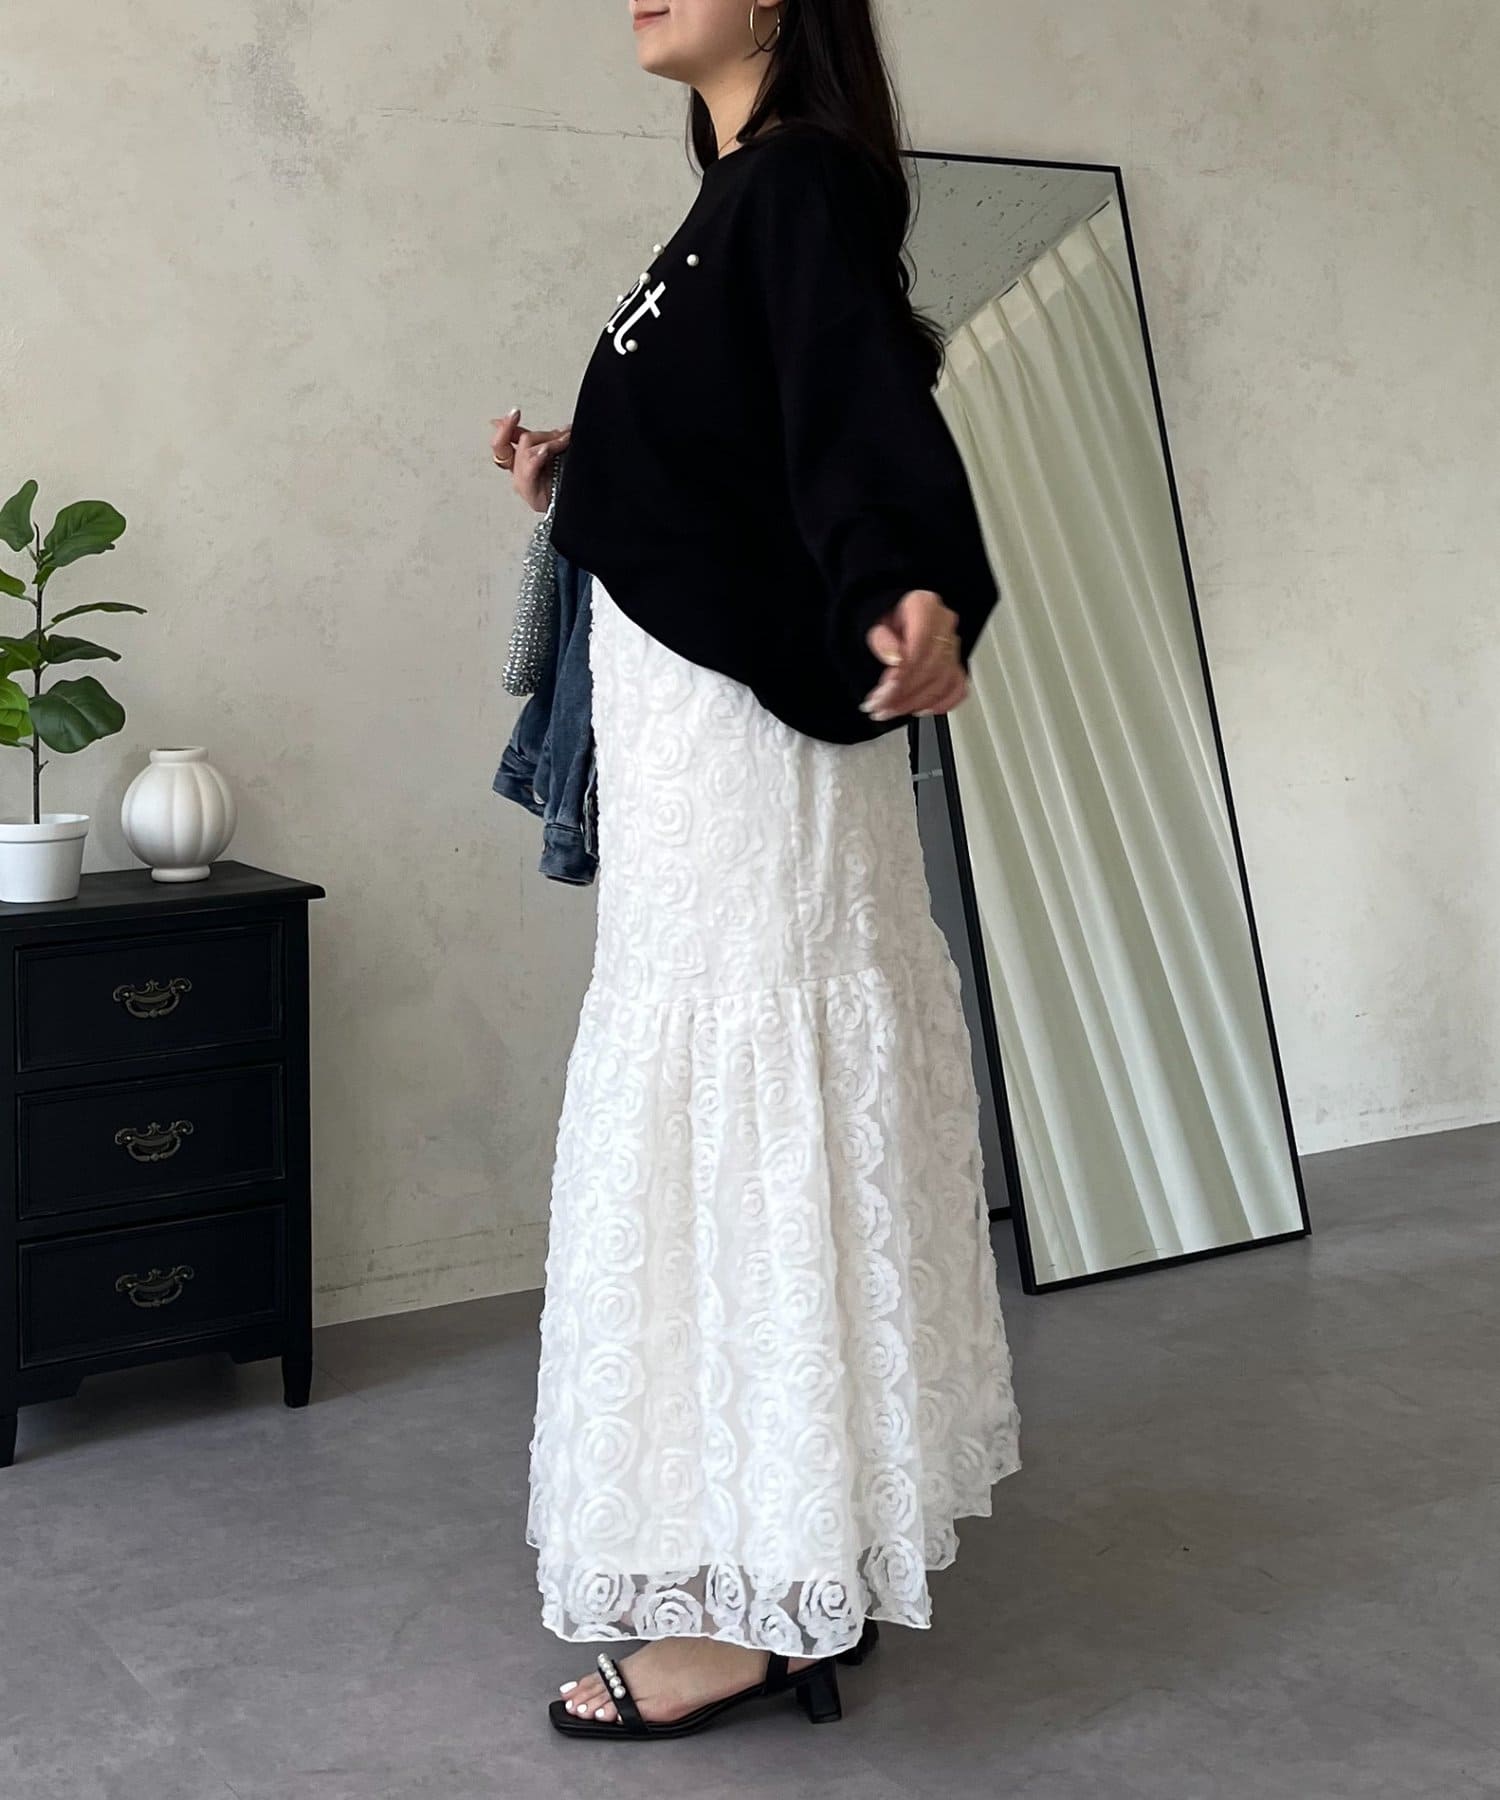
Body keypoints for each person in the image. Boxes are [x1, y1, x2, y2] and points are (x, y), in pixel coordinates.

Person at [489, 0, 1021, 1743]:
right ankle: (786, 1553)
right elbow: (741, 450)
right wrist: (585, 480)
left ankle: (751, 1609)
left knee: (744, 1099)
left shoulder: (794, 187)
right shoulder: (726, 206)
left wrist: (907, 579)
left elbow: (857, 415)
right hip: (693, 749)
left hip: (743, 757)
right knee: (729, 1096)